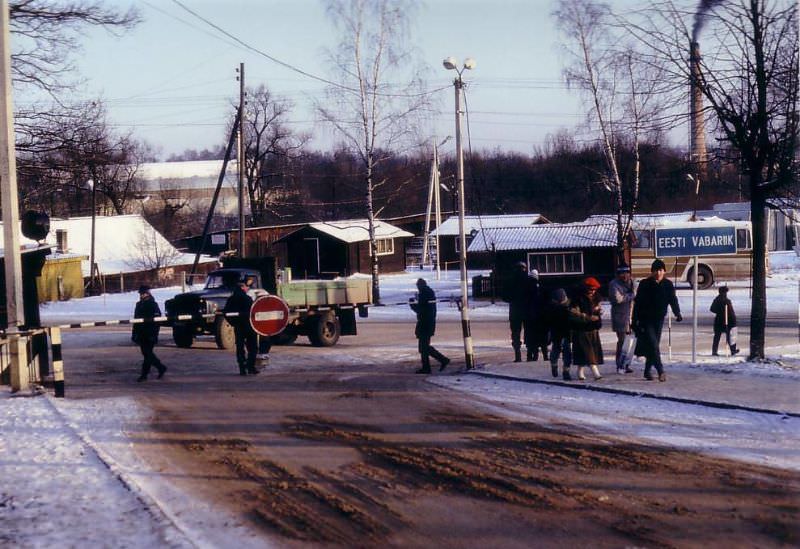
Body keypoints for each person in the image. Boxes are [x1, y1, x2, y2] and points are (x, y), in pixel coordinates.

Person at [632, 259, 682, 382]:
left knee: (653, 346)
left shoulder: (668, 284)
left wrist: (677, 313)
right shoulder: (645, 284)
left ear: (664, 271)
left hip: (659, 319)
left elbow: (673, 300)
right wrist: (634, 320)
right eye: (656, 270)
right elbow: (637, 303)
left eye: (660, 270)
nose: (658, 273)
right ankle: (660, 371)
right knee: (653, 345)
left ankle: (647, 371)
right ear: (652, 271)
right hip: (646, 319)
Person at [409, 278, 450, 374]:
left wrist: (412, 305)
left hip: (425, 323)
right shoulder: (428, 293)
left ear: (420, 286)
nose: (417, 288)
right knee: (424, 347)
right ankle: (428, 366)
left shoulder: (424, 294)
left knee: (424, 347)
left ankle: (441, 360)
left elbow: (421, 309)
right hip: (428, 322)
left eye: (418, 286)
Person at [568, 277, 604, 381]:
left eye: (594, 289)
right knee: (588, 351)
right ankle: (595, 372)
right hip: (581, 328)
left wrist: (598, 313)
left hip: (592, 328)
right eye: (590, 289)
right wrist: (587, 317)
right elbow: (574, 313)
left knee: (584, 351)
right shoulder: (577, 299)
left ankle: (580, 371)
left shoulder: (597, 298)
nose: (593, 292)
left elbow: (598, 309)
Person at [223, 276, 259, 376]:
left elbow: (226, 313)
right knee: (252, 347)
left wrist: (233, 323)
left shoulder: (230, 299)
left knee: (240, 347)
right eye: (246, 287)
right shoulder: (247, 298)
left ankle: (242, 368)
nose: (248, 288)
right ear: (243, 288)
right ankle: (251, 366)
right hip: (249, 326)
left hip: (238, 327)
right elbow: (253, 312)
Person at [502, 262, 537, 362]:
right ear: (525, 269)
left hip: (515, 311)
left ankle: (518, 356)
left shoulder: (509, 281)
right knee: (529, 332)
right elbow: (534, 295)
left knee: (516, 333)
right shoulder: (529, 280)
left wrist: (512, 299)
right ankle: (530, 355)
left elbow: (504, 296)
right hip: (528, 311)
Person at [132, 285, 166, 382]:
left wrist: (154, 334)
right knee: (146, 353)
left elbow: (157, 321)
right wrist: (134, 333)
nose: (142, 295)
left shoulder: (153, 304)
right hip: (141, 333)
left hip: (150, 333)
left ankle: (144, 374)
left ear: (148, 293)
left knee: (147, 354)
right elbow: (136, 321)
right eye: (141, 294)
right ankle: (160, 367)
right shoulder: (138, 305)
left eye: (143, 293)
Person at [608, 264, 635, 373]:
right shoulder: (614, 284)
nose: (624, 275)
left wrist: (629, 295)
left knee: (631, 342)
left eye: (626, 273)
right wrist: (631, 295)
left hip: (632, 315)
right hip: (620, 316)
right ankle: (620, 364)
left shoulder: (632, 282)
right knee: (622, 341)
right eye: (622, 273)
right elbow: (617, 299)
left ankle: (626, 364)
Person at [245, 275, 272, 361]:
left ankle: (260, 352)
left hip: (259, 319)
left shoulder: (251, 293)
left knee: (261, 337)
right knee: (261, 337)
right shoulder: (263, 292)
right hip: (257, 319)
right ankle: (260, 352)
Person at [548, 287, 572, 380]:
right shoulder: (567, 307)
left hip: (558, 332)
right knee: (566, 351)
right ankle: (566, 370)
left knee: (558, 350)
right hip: (563, 332)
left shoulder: (551, 308)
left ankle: (557, 366)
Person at [710, 285, 740, 356]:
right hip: (720, 321)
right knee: (717, 336)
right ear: (721, 292)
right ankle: (714, 351)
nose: (725, 293)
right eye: (724, 292)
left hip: (729, 321)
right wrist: (720, 311)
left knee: (731, 336)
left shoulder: (727, 300)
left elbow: (731, 312)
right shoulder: (718, 300)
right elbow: (712, 309)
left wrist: (734, 320)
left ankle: (733, 350)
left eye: (726, 292)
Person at [529, 269, 550, 362]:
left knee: (533, 337)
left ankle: (534, 355)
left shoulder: (528, 287)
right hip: (542, 315)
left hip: (532, 315)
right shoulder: (542, 287)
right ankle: (545, 355)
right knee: (543, 336)